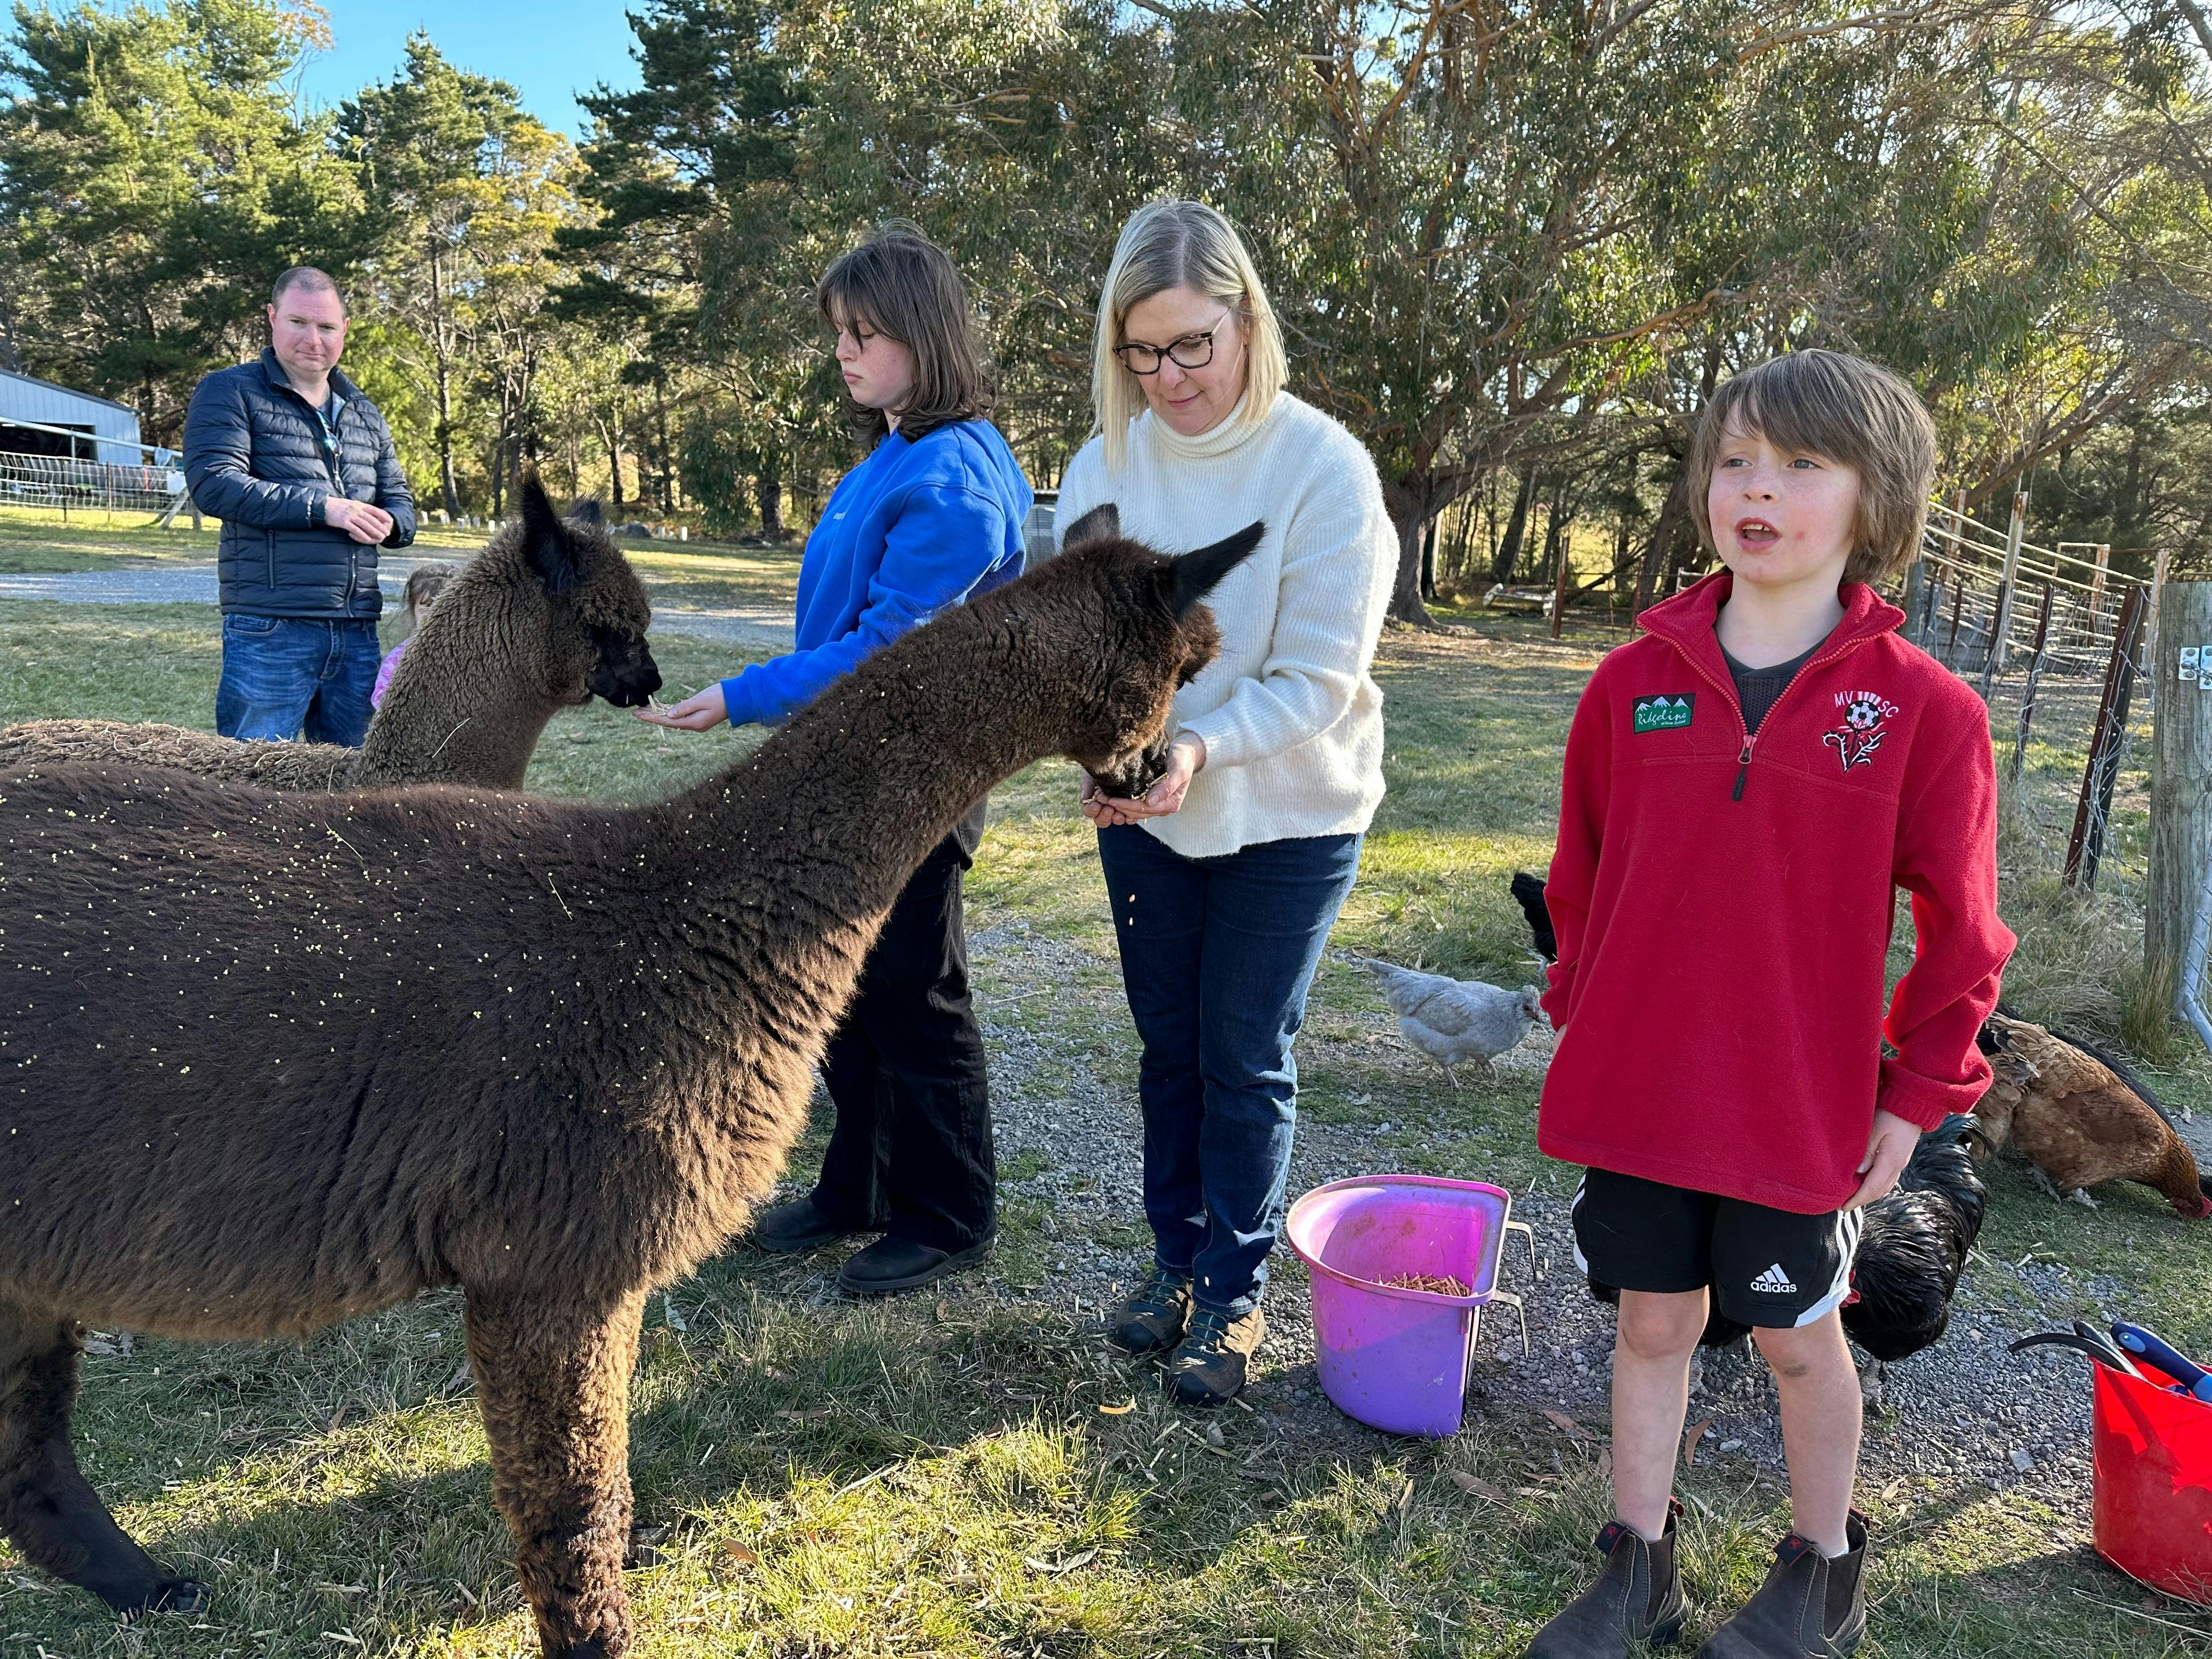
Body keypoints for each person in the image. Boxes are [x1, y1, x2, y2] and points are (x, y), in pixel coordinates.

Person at [1525, 350, 2014, 1659]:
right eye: (1736, 458)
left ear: (1873, 499)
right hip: (1641, 1087)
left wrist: (1917, 1098)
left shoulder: (1925, 713)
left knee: (1799, 1342)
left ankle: (1824, 1570)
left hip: (1798, 1104)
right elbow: (1578, 872)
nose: (1759, 488)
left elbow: (1966, 934)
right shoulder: (1632, 685)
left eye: (1803, 466)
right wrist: (1585, 1001)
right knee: (1652, 1324)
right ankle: (1639, 1567)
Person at [639, 223, 1031, 1296]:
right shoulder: (898, 449)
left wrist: (743, 695)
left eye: (865, 332)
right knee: (850, 991)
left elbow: (883, 654)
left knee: (915, 992)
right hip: (853, 775)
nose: (846, 353)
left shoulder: (955, 475)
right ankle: (856, 1189)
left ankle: (949, 1215)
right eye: (841, 334)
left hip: (915, 782)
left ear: (923, 333)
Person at [1057, 200, 1395, 1407]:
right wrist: (1109, 761)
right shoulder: (1102, 467)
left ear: (1247, 319)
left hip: (1292, 814)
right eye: (1143, 352)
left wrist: (1193, 748)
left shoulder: (1324, 468)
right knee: (1170, 1048)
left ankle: (1236, 1295)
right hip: (1155, 810)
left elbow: (1318, 679)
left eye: (1194, 344)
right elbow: (1082, 653)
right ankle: (1170, 1267)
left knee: (1244, 1054)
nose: (1171, 376)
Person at [183, 267, 416, 746]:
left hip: (356, 628)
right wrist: (326, 508)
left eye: (327, 327)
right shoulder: (230, 391)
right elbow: (216, 485)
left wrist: (391, 522)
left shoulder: (365, 413)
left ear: (345, 331)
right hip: (271, 626)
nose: (314, 339)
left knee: (355, 781)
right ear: (272, 319)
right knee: (255, 782)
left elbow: (401, 501)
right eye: (298, 323)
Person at [370, 562, 458, 710]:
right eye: (426, 609)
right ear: (413, 610)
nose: (434, 617)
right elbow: (380, 697)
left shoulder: (465, 653)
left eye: (444, 611)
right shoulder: (401, 655)